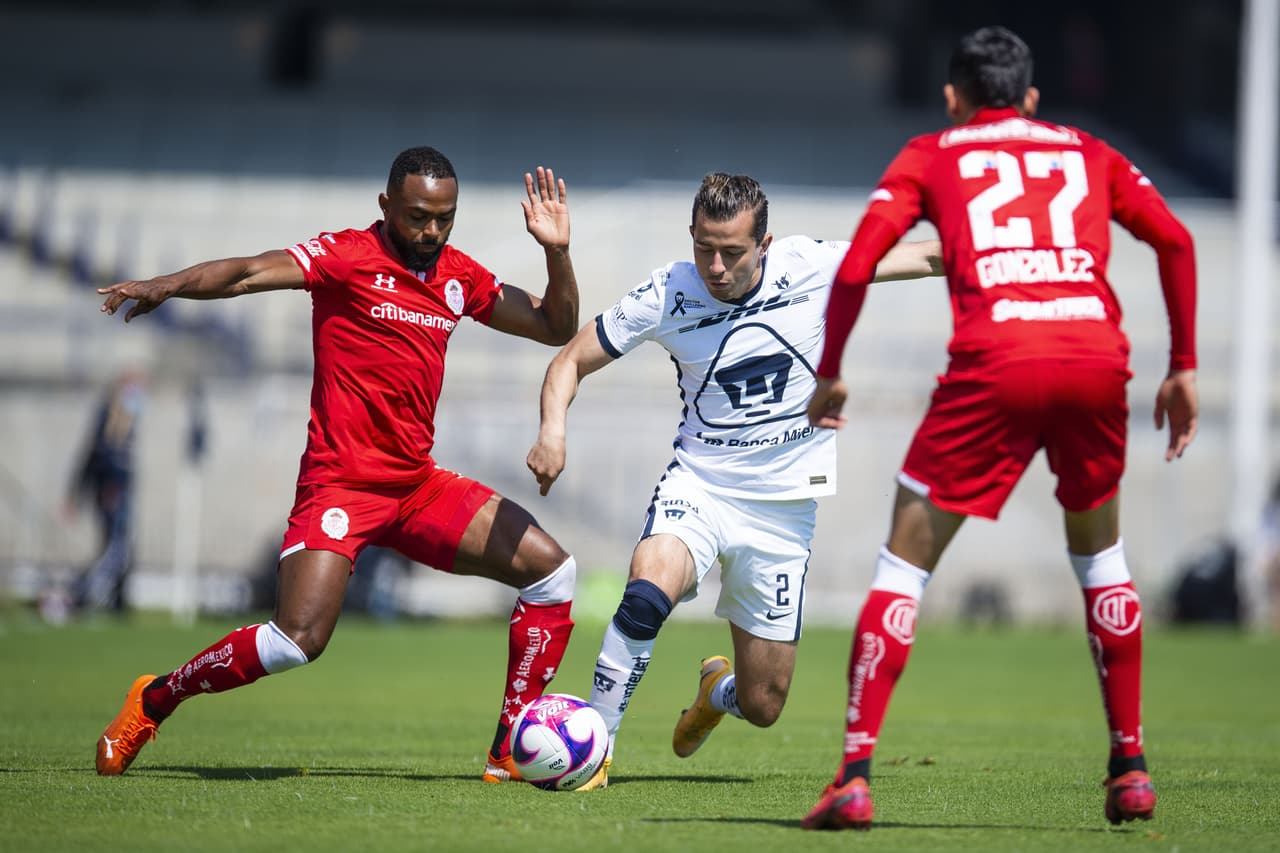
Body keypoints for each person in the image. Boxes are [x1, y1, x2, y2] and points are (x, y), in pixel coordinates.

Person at [800, 27, 1198, 830]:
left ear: (954, 98)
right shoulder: (1089, 150)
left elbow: (855, 265)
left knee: (903, 564)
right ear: (1032, 97)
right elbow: (1175, 237)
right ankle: (1130, 766)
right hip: (1094, 355)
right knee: (1101, 557)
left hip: (997, 357)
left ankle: (853, 772)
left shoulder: (931, 153)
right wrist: (1183, 363)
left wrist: (831, 365)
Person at [93, 147, 586, 785]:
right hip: (340, 486)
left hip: (415, 485)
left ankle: (508, 754)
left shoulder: (459, 275)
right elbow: (246, 272)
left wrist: (557, 251)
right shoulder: (347, 256)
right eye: (417, 218)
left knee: (553, 574)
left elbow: (555, 325)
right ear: (386, 207)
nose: (431, 232)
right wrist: (167, 284)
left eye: (444, 218)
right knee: (296, 640)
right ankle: (154, 700)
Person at [526, 172, 941, 787]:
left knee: (764, 704)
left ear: (765, 243)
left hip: (782, 510)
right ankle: (598, 744)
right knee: (648, 588)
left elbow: (927, 255)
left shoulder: (812, 264)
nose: (715, 266)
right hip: (700, 487)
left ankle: (715, 693)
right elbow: (569, 362)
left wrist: (1003, 252)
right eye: (703, 248)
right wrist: (552, 430)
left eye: (732, 252)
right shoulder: (668, 292)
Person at [63, 369, 146, 613]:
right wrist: (76, 495)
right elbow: (91, 458)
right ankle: (82, 593)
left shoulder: (128, 426)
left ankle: (117, 599)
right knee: (114, 549)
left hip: (121, 492)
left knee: (123, 547)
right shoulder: (108, 424)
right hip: (112, 492)